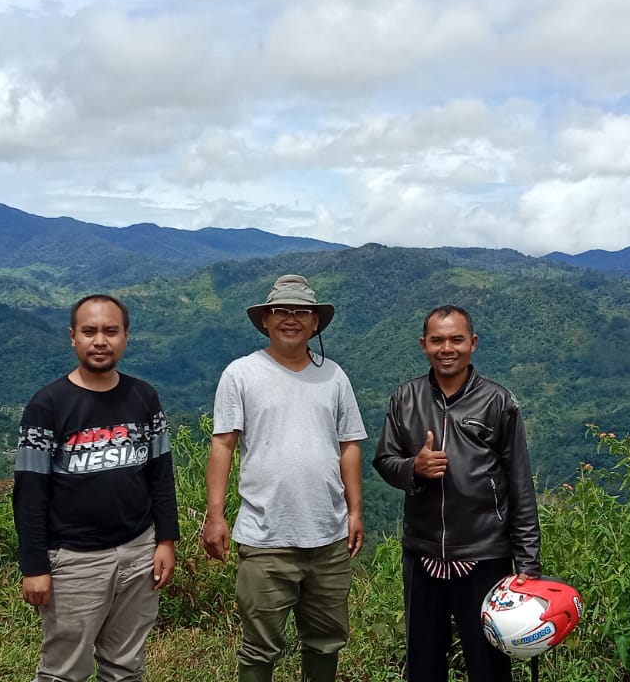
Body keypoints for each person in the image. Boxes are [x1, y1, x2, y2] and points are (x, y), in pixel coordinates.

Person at [200, 274, 367, 682]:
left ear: (315, 323)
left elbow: (349, 445)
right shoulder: (241, 374)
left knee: (327, 639)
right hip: (264, 537)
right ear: (265, 321)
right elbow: (222, 445)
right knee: (259, 646)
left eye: (301, 312)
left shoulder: (334, 376)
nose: (291, 319)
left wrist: (355, 510)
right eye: (281, 311)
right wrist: (216, 515)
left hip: (328, 536)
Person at [13, 294, 178, 682]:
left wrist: (166, 540)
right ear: (73, 337)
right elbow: (30, 494)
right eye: (89, 331)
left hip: (138, 552)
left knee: (125, 665)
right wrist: (34, 566)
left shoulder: (143, 397)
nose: (99, 340)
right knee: (64, 669)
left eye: (110, 331)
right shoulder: (48, 405)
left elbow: (160, 475)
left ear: (125, 336)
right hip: (73, 559)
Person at [373, 305, 541, 682]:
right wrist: (413, 468)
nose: (446, 348)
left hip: (485, 557)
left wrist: (528, 566)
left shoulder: (498, 402)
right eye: (437, 340)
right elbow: (384, 459)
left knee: (489, 666)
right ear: (423, 344)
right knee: (424, 665)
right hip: (423, 556)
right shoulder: (405, 397)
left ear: (473, 343)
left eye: (456, 339)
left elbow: (520, 485)